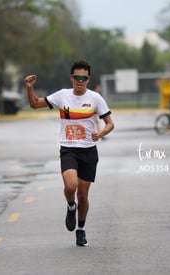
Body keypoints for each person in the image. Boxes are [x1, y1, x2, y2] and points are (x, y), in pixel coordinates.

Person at [24, 60, 114, 247]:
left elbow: (110, 123)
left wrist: (101, 133)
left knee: (83, 195)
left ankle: (81, 230)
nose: (80, 81)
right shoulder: (62, 95)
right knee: (71, 186)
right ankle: (70, 206)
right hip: (68, 149)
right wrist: (30, 88)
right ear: (71, 78)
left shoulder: (96, 98)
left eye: (84, 78)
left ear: (88, 79)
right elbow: (34, 104)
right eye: (77, 77)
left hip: (88, 151)